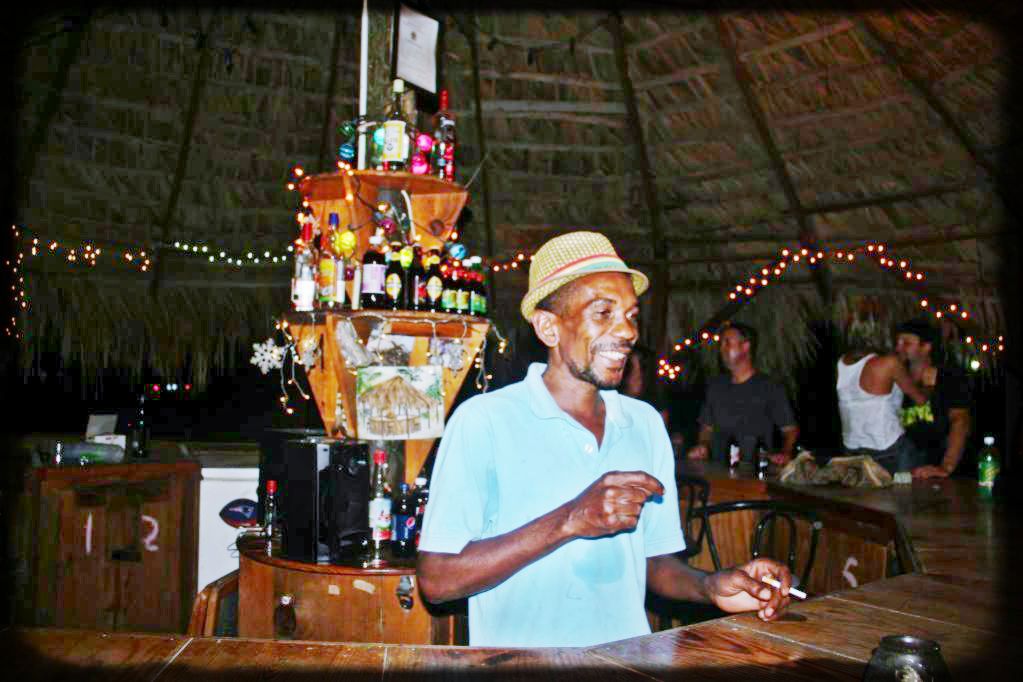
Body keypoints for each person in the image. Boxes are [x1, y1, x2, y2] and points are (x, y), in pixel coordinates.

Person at [416, 231, 794, 648]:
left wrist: (710, 586)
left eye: (631, 315)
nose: (627, 331)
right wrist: (570, 520)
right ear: (548, 327)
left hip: (629, 661)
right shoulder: (484, 421)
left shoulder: (644, 424)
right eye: (603, 312)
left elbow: (654, 562)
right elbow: (437, 580)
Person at [686, 323, 799, 467]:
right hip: (718, 469)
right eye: (721, 344)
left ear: (745, 346)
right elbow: (706, 428)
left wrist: (785, 453)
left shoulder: (769, 387)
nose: (721, 349)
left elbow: (790, 430)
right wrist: (702, 445)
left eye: (727, 343)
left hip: (754, 470)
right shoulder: (715, 386)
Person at [894, 319, 972, 479]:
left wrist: (946, 466)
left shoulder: (949, 376)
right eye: (898, 343)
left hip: (937, 466)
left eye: (906, 343)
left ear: (926, 347)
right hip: (902, 464)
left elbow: (960, 421)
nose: (898, 348)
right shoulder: (896, 377)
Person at [837, 344, 930, 474]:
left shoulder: (841, 363)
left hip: (852, 449)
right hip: (888, 447)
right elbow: (920, 399)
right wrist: (928, 384)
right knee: (922, 456)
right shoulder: (889, 363)